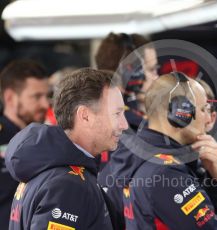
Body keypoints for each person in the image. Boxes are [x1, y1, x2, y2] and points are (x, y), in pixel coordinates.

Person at [99, 72, 217, 229]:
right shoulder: (166, 173)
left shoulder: (130, 160)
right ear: (181, 113)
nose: (208, 119)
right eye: (203, 109)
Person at [5, 68, 128, 229]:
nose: (124, 125)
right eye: (116, 114)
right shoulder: (68, 184)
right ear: (85, 115)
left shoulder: (52, 169)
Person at [0, 59, 50, 229]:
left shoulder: (47, 142)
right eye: (37, 96)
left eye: (47, 96)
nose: (45, 104)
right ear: (10, 98)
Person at [95, 32, 159, 131]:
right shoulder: (133, 129)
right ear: (126, 75)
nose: (156, 77)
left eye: (156, 69)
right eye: (151, 69)